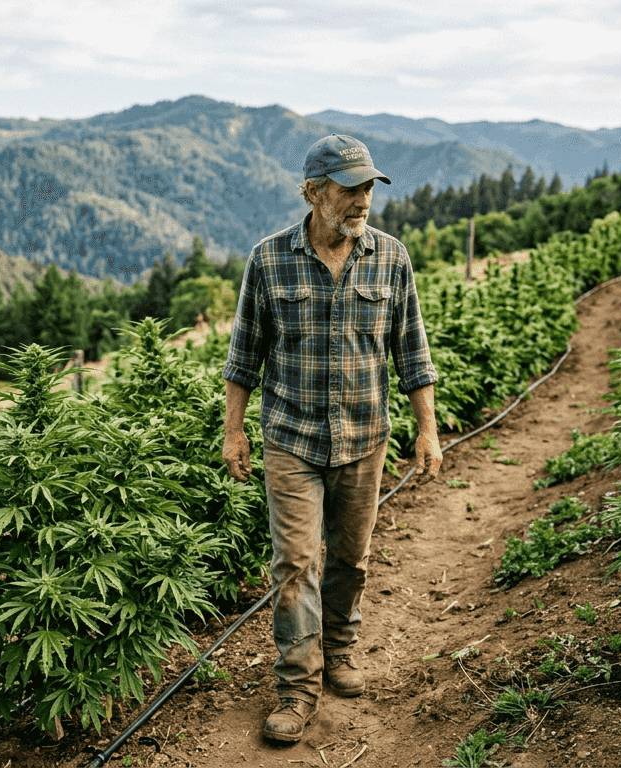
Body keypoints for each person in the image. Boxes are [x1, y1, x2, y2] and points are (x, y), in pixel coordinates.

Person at [221, 134, 442, 744]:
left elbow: (412, 353)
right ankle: (297, 686)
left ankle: (340, 648)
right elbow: (245, 356)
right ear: (315, 192)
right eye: (350, 188)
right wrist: (234, 431)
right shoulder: (269, 261)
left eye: (369, 187)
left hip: (365, 438)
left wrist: (428, 429)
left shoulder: (391, 259)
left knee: (350, 558)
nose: (363, 200)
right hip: (291, 438)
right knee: (295, 562)